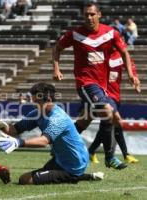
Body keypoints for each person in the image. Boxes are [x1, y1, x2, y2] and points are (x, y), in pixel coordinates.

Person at [52, 3, 140, 169]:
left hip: (102, 86)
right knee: (109, 113)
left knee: (85, 121)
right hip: (86, 83)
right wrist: (56, 69)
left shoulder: (110, 33)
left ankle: (58, 146)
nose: (89, 17)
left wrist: (131, 74)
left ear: (99, 14)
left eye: (92, 14)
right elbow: (57, 48)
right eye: (86, 15)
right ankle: (109, 157)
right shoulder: (75, 34)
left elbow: (125, 53)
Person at [0, 82, 104, 185]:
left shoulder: (58, 118)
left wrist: (19, 142)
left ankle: (75, 176)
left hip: (74, 163)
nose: (34, 104)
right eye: (33, 101)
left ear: (48, 100)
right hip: (61, 160)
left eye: (37, 102)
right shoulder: (38, 112)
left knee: (25, 179)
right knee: (34, 176)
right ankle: (88, 176)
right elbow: (14, 130)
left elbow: (44, 141)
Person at [89, 48, 139, 164]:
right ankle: (124, 154)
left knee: (106, 125)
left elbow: (130, 65)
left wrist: (134, 77)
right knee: (116, 120)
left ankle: (91, 151)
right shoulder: (99, 55)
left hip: (115, 95)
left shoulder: (120, 56)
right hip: (103, 94)